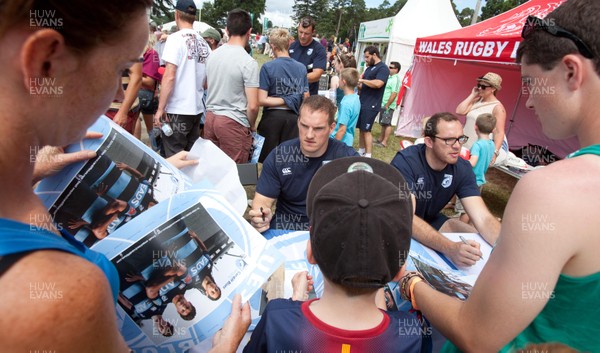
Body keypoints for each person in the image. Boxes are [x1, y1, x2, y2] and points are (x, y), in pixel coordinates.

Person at [0, 0, 248, 352]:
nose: (119, 96)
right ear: (45, 64)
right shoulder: (61, 299)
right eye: (120, 70)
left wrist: (28, 171)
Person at [404, 2, 600, 349]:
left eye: (531, 83)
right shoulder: (409, 161)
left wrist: (409, 283)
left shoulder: (555, 189)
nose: (528, 103)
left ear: (571, 72)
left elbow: (475, 335)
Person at [243, 157, 431, 352]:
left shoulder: (277, 318)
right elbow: (381, 333)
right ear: (401, 268)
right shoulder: (409, 333)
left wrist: (297, 301)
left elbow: (291, 330)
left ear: (311, 252)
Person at [391, 112, 500, 267]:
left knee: (466, 231)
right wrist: (449, 248)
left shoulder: (462, 168)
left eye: (460, 139)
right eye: (449, 140)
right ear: (429, 141)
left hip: (429, 219)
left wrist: (505, 247)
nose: (457, 146)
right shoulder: (406, 162)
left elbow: (483, 218)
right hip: (397, 222)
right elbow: (406, 218)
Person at [248, 95, 358, 234]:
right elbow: (262, 201)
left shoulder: (346, 158)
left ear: (331, 128)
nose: (309, 135)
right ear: (298, 122)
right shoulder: (280, 156)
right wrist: (261, 216)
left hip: (330, 230)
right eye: (305, 126)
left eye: (318, 128)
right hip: (285, 228)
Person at [154, 0, 210, 158]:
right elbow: (206, 82)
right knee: (190, 156)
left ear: (176, 14)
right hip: (197, 108)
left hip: (178, 109)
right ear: (194, 18)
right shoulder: (204, 43)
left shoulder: (175, 39)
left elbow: (169, 75)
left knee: (174, 158)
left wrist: (160, 109)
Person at [204, 9, 259, 164]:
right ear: (249, 32)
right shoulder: (248, 62)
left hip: (210, 118)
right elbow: (253, 106)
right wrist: (252, 125)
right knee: (234, 174)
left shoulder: (213, 55)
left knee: (213, 169)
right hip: (232, 121)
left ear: (227, 30)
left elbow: (206, 84)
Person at [257, 28, 309, 163]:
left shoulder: (268, 67)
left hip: (272, 118)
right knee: (288, 161)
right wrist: (288, 100)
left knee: (269, 161)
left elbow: (262, 99)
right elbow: (306, 98)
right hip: (293, 118)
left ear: (273, 46)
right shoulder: (301, 67)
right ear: (289, 44)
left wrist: (283, 100)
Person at [456, 72, 508, 165]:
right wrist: (472, 95)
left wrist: (495, 153)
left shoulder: (498, 108)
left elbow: (499, 132)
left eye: (483, 87)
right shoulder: (477, 100)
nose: (480, 88)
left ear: (493, 89)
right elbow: (459, 111)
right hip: (465, 142)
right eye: (479, 85)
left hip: (478, 146)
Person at [459, 113, 496, 224]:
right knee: (473, 205)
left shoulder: (477, 145)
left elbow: (473, 163)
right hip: (480, 180)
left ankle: (460, 228)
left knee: (464, 209)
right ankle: (471, 223)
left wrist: (462, 161)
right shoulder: (491, 144)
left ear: (475, 127)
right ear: (493, 130)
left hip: (470, 180)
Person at [357, 46, 389, 158]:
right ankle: (361, 151)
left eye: (367, 57)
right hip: (363, 102)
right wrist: (358, 84)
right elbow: (365, 86)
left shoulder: (383, 68)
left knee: (366, 130)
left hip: (372, 104)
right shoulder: (369, 68)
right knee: (361, 129)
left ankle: (368, 154)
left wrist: (362, 80)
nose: (365, 59)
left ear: (374, 54)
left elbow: (378, 83)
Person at [134, 33, 162, 144]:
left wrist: (133, 77)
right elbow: (150, 82)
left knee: (136, 121)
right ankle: (154, 149)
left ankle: (136, 148)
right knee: (151, 129)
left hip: (139, 92)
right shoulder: (152, 53)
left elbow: (149, 82)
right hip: (145, 93)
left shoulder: (140, 53)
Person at [289, 17, 327, 96]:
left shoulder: (319, 50)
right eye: (300, 32)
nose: (302, 36)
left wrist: (295, 79)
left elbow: (316, 75)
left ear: (313, 32)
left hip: (308, 97)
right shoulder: (291, 46)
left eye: (306, 33)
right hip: (290, 95)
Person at [106, 63, 142, 134]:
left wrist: (123, 112)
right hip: (95, 111)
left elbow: (136, 78)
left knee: (117, 143)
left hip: (116, 109)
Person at [330, 68, 360, 147]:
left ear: (344, 82)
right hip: (349, 139)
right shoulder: (355, 98)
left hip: (342, 142)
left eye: (339, 78)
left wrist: (333, 147)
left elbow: (342, 130)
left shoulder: (346, 103)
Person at [375, 61, 401, 148]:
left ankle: (384, 142)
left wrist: (387, 105)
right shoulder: (390, 78)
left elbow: (394, 93)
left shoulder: (396, 79)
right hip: (384, 103)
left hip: (389, 105)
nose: (389, 69)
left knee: (387, 123)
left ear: (396, 70)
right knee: (383, 123)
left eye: (391, 67)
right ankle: (380, 139)